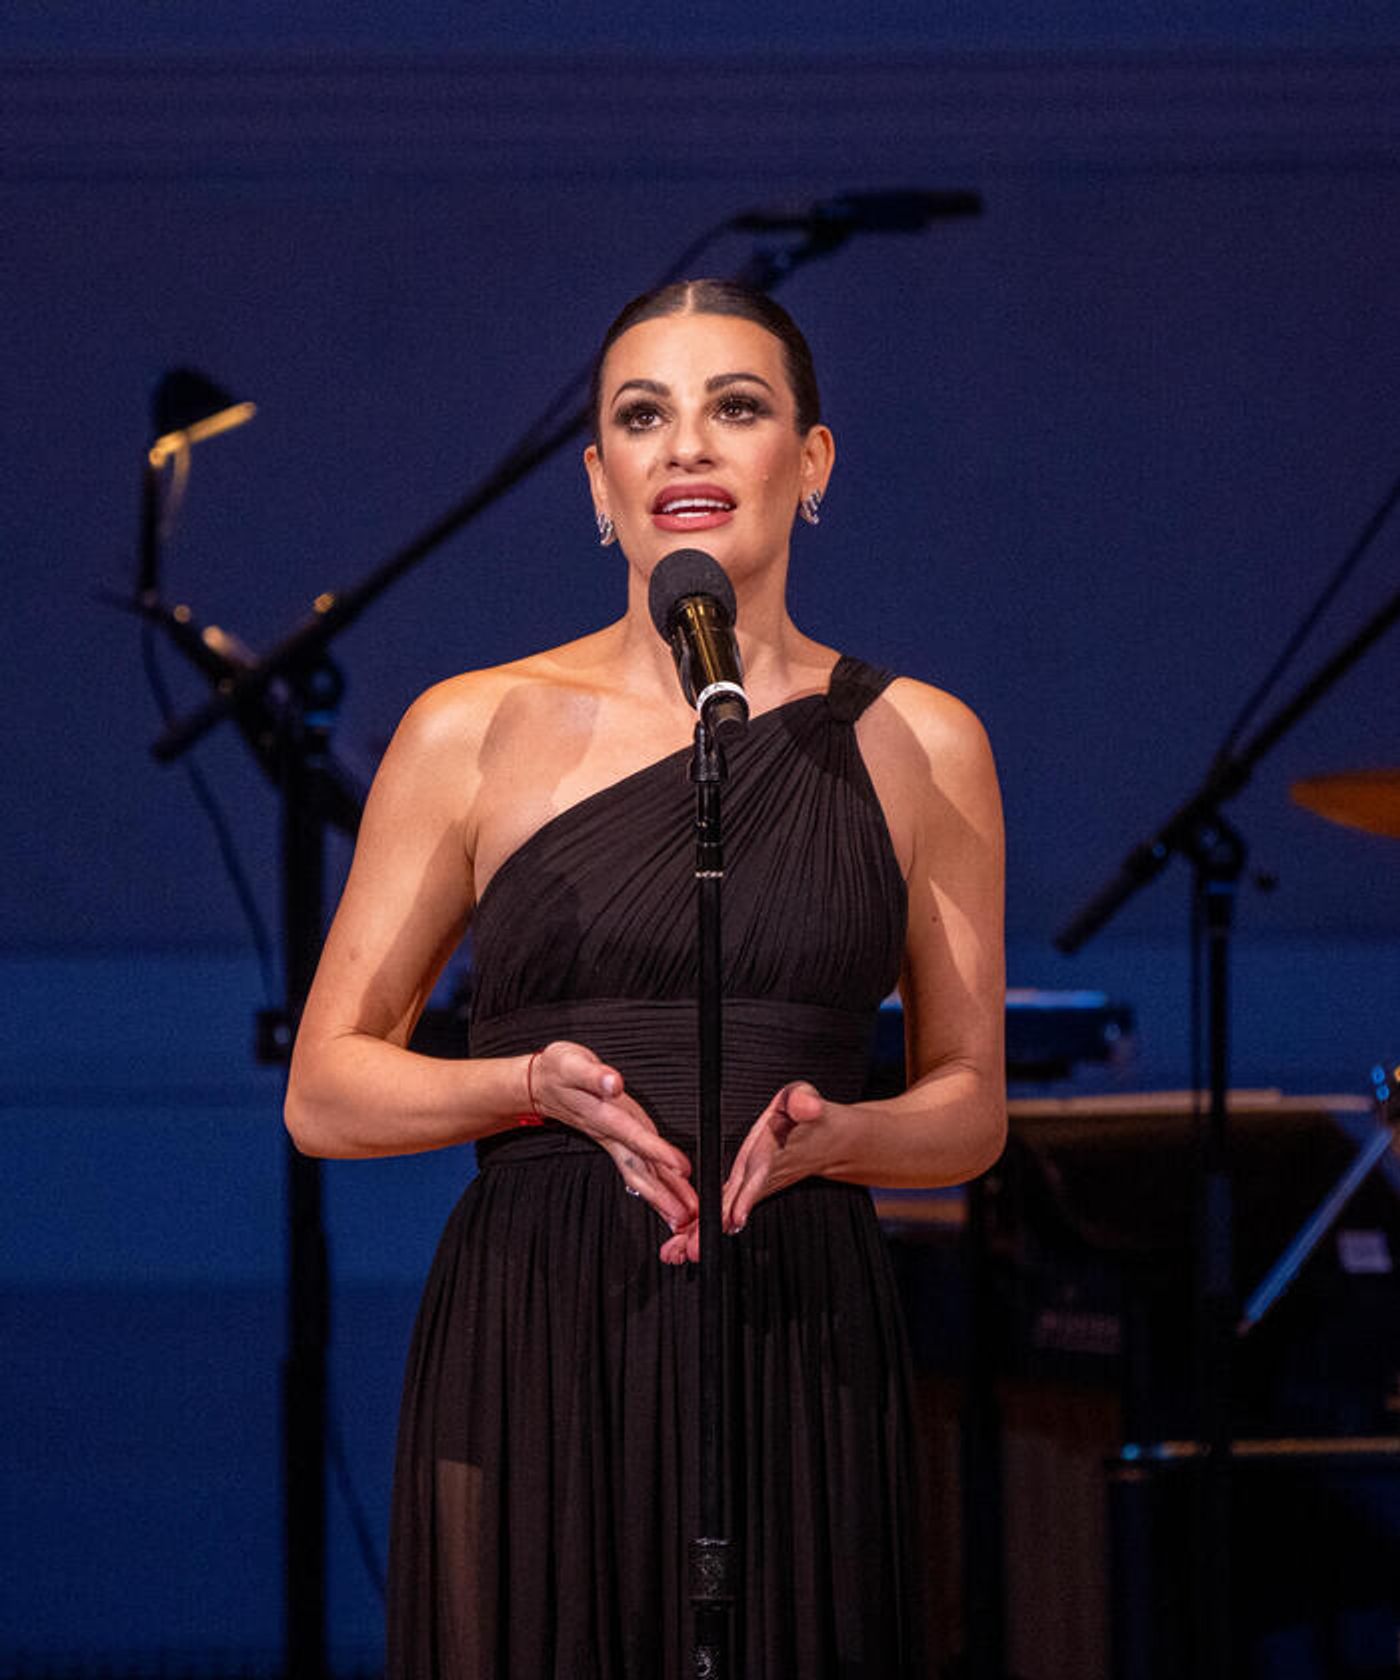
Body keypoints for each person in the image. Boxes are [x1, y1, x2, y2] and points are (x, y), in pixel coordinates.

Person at [285, 278, 1007, 1678]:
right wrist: (525, 1086)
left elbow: (971, 1104)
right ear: (597, 483)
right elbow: (324, 1092)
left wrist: (847, 1137)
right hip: (540, 1321)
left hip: (799, 1318)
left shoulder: (923, 741)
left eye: (735, 408)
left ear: (811, 462)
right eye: (641, 416)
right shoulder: (471, 729)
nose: (685, 446)